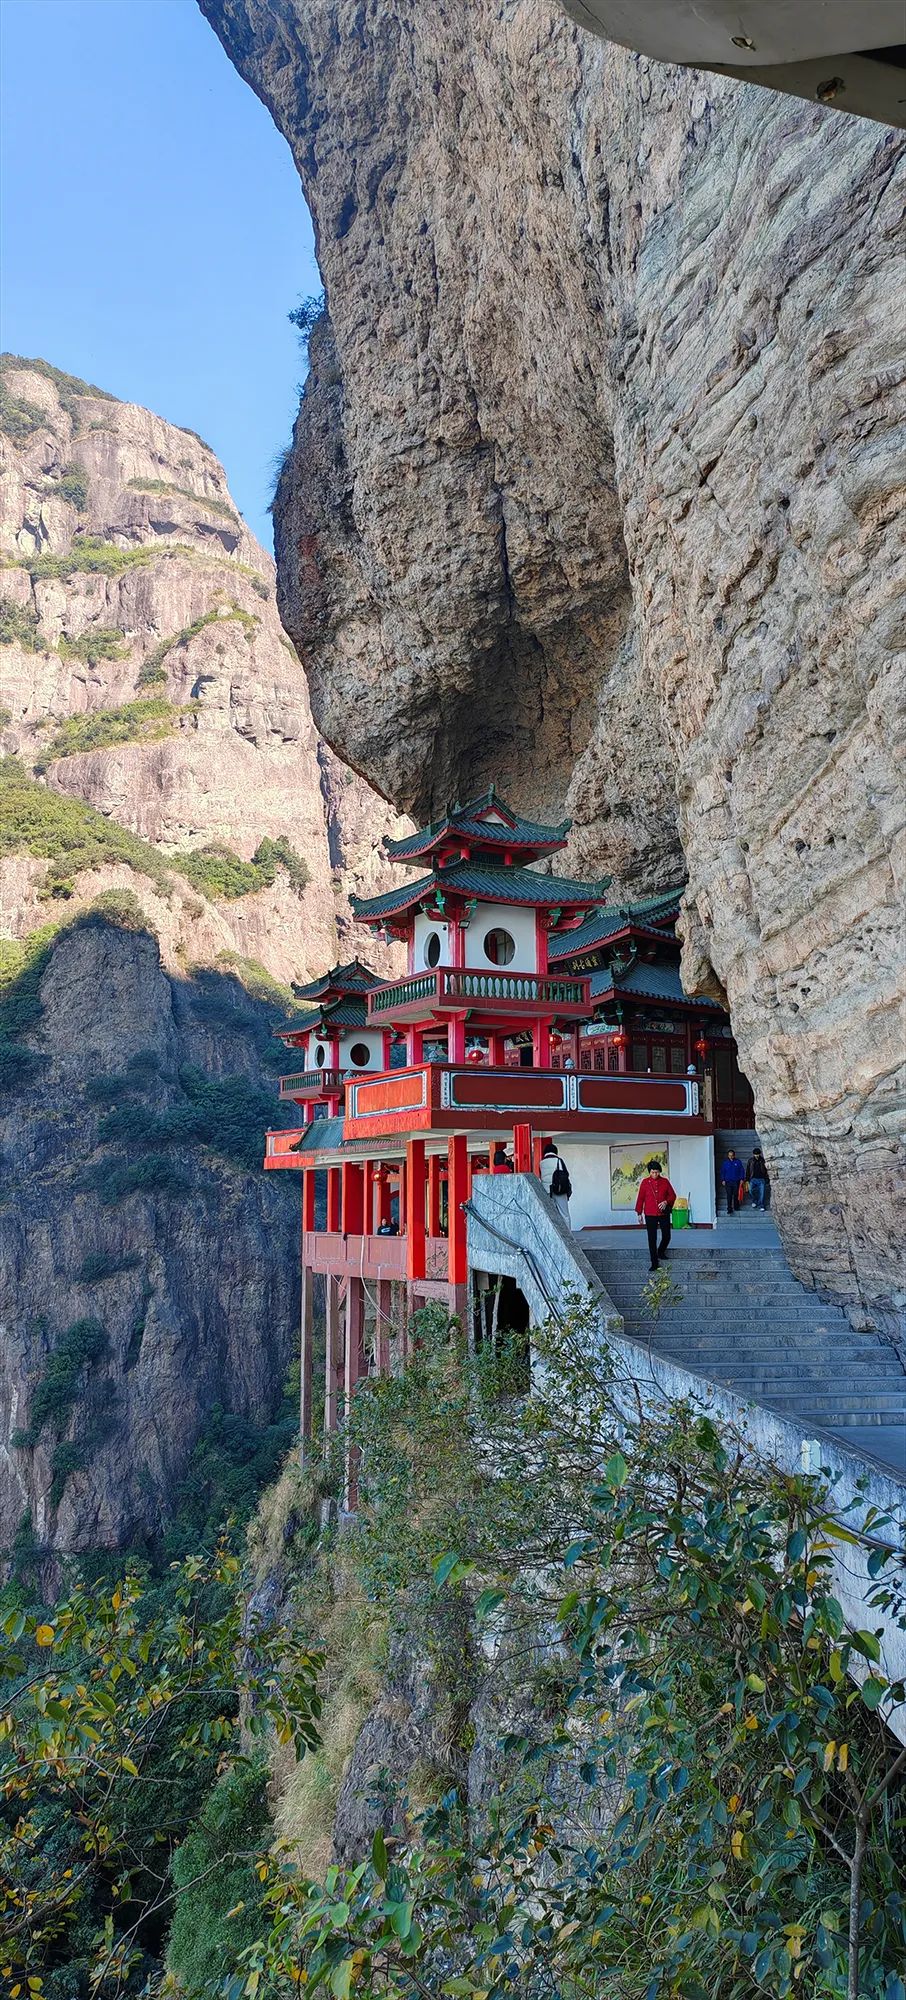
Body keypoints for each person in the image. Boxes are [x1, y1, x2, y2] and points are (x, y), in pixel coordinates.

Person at [635, 1159, 676, 1271]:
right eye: (653, 1172)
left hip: (663, 1213)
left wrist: (666, 1202)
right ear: (649, 1172)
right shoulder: (644, 1182)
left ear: (660, 1172)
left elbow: (673, 1195)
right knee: (652, 1239)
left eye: (657, 1172)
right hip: (650, 1214)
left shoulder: (665, 1181)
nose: (655, 1174)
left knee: (667, 1236)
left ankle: (661, 1252)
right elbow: (640, 1198)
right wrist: (639, 1213)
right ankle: (654, 1262)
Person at [539, 1139, 572, 1224]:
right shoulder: (558, 1160)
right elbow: (565, 1175)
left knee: (551, 1215)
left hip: (546, 1191)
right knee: (564, 1214)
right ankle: (567, 1235)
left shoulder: (541, 1163)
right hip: (559, 1190)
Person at [721, 1149, 745, 1214]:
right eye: (729, 1155)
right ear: (728, 1156)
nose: (731, 1157)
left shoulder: (738, 1162)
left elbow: (741, 1171)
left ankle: (736, 1206)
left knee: (736, 1194)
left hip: (736, 1181)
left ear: (734, 1155)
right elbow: (723, 1172)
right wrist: (723, 1179)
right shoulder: (725, 1163)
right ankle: (729, 1208)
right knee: (729, 1195)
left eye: (732, 1155)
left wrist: (742, 1179)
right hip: (728, 1182)